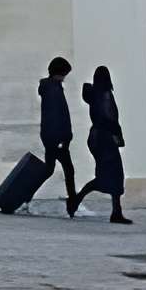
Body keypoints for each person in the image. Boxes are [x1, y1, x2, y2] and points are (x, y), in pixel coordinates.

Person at [76, 66, 130, 225]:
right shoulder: (105, 95)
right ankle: (115, 212)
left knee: (106, 176)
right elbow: (110, 119)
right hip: (106, 140)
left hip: (97, 139)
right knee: (113, 175)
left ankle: (116, 211)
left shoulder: (94, 95)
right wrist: (118, 135)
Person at [36, 56, 81, 216]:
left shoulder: (51, 87)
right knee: (68, 170)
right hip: (56, 138)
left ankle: (25, 192)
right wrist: (63, 138)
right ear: (58, 73)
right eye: (64, 74)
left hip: (51, 137)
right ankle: (73, 202)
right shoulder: (54, 90)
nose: (64, 78)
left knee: (49, 169)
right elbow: (57, 116)